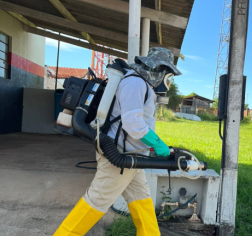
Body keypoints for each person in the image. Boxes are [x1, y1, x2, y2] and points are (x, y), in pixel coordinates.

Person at [53, 47, 181, 236]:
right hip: (119, 155)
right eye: (167, 74)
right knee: (97, 200)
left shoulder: (139, 82)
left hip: (130, 155)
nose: (166, 80)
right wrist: (157, 143)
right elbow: (132, 123)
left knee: (141, 198)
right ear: (158, 69)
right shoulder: (135, 83)